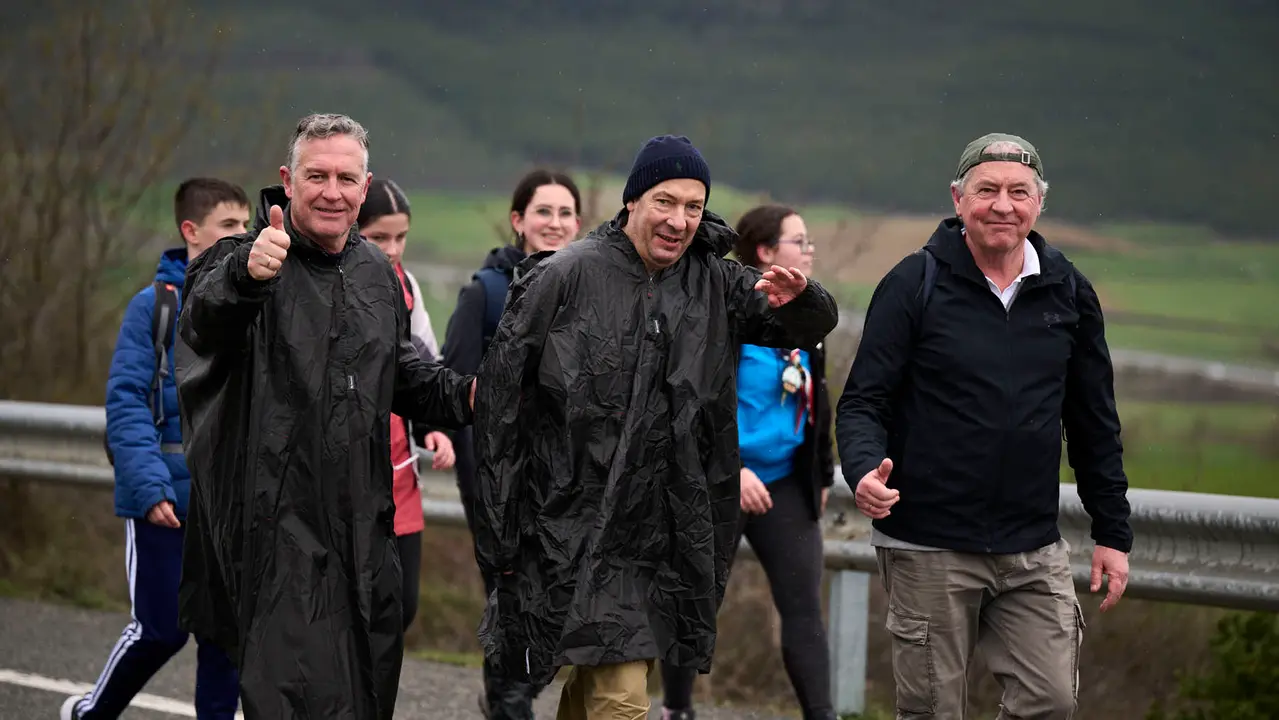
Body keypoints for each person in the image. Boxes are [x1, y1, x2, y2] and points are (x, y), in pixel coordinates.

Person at [471, 135, 839, 720]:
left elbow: (799, 325)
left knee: (616, 694)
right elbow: (501, 407)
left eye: (693, 206)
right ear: (633, 201)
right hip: (568, 525)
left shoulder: (715, 283)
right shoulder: (565, 277)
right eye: (666, 201)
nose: (679, 220)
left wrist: (807, 300)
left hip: (660, 537)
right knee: (600, 690)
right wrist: (502, 532)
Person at [173, 113, 477, 720]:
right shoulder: (246, 256)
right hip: (274, 539)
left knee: (363, 699)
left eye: (346, 178)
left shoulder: (376, 273)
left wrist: (469, 396)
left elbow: (402, 374)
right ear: (288, 181)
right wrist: (246, 275)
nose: (332, 191)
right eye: (317, 176)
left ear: (366, 189)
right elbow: (204, 320)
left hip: (362, 537)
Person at [836, 132, 1133, 720]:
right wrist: (864, 468)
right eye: (987, 190)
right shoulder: (913, 283)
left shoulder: (1068, 292)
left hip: (1031, 545)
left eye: (1019, 192)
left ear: (1039, 203)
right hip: (927, 541)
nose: (1003, 205)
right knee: (932, 712)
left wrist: (1112, 531)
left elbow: (1094, 421)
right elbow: (863, 401)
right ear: (957, 199)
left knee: (1049, 701)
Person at [62, 178, 249, 720]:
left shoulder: (247, 303)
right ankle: (90, 714)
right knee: (160, 631)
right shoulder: (154, 307)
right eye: (229, 225)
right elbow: (126, 403)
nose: (242, 235)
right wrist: (147, 488)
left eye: (245, 224)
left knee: (224, 638)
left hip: (228, 504)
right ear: (191, 231)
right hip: (164, 499)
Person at [660, 205, 837, 720]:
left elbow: (816, 401)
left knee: (803, 607)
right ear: (765, 252)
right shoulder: (729, 312)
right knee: (695, 599)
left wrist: (821, 473)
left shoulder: (801, 314)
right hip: (721, 477)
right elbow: (693, 403)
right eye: (798, 242)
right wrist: (733, 471)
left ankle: (822, 715)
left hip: (785, 482)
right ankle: (677, 708)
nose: (808, 251)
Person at [439, 168, 581, 719]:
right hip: (502, 483)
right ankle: (509, 703)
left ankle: (506, 694)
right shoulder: (487, 293)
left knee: (555, 612)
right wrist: (479, 481)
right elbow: (453, 388)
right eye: (543, 211)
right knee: (516, 604)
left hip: (570, 485)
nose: (555, 222)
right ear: (518, 221)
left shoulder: (590, 292)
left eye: (565, 213)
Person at [356, 176, 458, 632]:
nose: (393, 249)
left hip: (400, 473)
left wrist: (433, 426)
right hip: (348, 474)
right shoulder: (325, 286)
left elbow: (426, 366)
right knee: (352, 614)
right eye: (379, 237)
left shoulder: (408, 286)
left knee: (400, 607)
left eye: (400, 237)